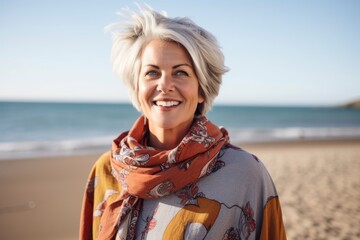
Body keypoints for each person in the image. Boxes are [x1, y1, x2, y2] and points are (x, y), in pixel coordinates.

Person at [80, 6, 286, 240]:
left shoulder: (245, 173)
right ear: (137, 88)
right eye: (152, 73)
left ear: (201, 90)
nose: (165, 85)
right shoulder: (107, 169)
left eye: (180, 73)